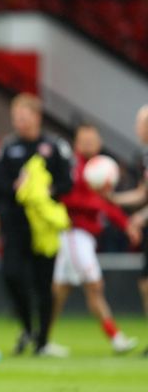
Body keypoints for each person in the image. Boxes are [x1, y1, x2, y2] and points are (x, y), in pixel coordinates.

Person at [0, 93, 73, 357]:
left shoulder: (54, 147)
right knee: (11, 274)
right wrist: (15, 187)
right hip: (16, 224)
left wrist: (49, 190)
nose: (20, 123)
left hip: (44, 227)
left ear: (37, 117)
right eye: (16, 118)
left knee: (43, 283)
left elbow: (67, 183)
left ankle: (43, 340)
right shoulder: (7, 147)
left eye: (24, 117)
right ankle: (27, 326)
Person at [51, 123, 139, 354]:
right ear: (77, 143)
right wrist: (108, 209)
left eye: (93, 141)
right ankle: (115, 337)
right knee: (94, 284)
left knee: (60, 291)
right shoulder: (72, 167)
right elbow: (67, 199)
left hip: (85, 236)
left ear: (99, 143)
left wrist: (125, 223)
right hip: (74, 233)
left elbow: (106, 204)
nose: (89, 145)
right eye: (84, 141)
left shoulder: (98, 167)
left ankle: (41, 337)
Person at [112, 105, 148, 356]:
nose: (136, 128)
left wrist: (140, 217)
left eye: (140, 122)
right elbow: (143, 194)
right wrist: (111, 198)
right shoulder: (144, 156)